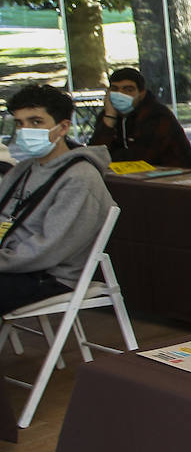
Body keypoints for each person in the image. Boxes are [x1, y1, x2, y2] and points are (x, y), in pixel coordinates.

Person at [0, 84, 113, 314]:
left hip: (48, 276)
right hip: (13, 266)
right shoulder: (22, 169)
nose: (24, 130)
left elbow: (48, 249)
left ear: (63, 128)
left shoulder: (80, 178)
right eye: (20, 123)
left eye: (36, 122)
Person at [88, 67, 191, 168]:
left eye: (128, 90)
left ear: (142, 93)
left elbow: (141, 159)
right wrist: (110, 118)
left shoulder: (157, 115)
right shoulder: (108, 114)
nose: (120, 94)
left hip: (174, 177)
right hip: (128, 179)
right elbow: (94, 156)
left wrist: (111, 158)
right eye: (115, 89)